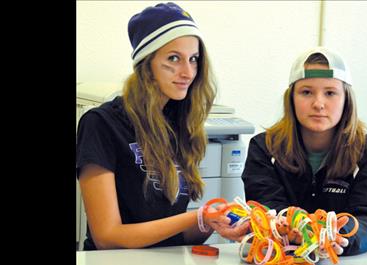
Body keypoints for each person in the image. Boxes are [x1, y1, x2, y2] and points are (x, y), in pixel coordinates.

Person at [76, 2, 249, 250]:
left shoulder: (180, 124)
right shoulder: (101, 124)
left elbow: (175, 238)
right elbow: (107, 236)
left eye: (193, 59)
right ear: (146, 64)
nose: (188, 72)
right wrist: (196, 216)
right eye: (173, 59)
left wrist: (213, 220)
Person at [241, 47, 367, 256]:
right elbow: (266, 212)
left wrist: (342, 236)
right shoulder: (265, 148)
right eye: (306, 92)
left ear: (346, 99)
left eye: (330, 93)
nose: (318, 104)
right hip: (282, 260)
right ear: (291, 98)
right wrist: (289, 230)